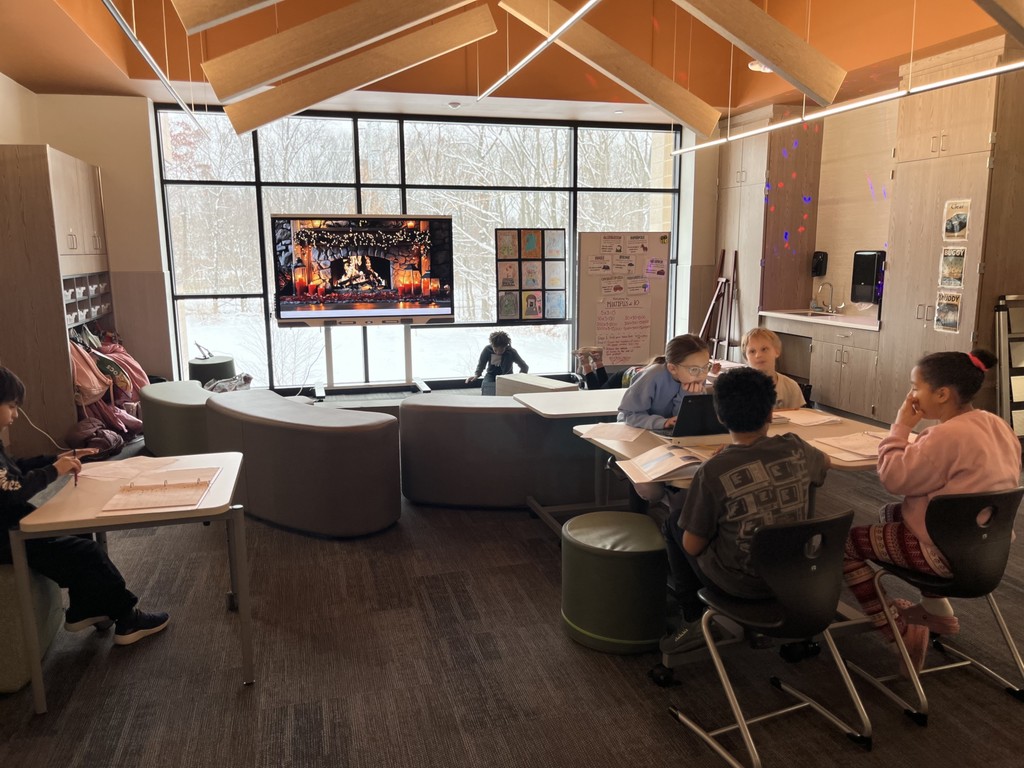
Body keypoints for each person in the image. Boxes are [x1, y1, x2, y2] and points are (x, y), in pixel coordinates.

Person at [842, 349, 1021, 673]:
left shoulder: (943, 436)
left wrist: (900, 427)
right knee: (892, 515)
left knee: (846, 544)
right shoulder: (997, 425)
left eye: (915, 387)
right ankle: (936, 610)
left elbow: (893, 478)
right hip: (988, 550)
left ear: (941, 394)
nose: (911, 395)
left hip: (943, 554)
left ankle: (897, 629)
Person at [661, 366, 830, 653]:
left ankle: (692, 618)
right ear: (770, 414)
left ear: (719, 416)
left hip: (743, 585)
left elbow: (692, 545)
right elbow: (823, 463)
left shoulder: (713, 470)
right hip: (796, 575)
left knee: (676, 521)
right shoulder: (796, 448)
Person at [1, 366, 169, 646]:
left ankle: (85, 608)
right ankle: (127, 617)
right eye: (10, 407)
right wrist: (54, 470)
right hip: (6, 539)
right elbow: (12, 489)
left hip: (15, 523)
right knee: (87, 552)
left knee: (77, 530)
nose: (15, 416)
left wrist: (56, 458)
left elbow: (15, 469)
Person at [616, 334, 716, 505]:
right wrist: (661, 422)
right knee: (651, 490)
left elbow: (685, 419)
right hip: (638, 433)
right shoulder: (653, 376)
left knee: (696, 477)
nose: (701, 374)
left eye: (706, 367)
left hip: (670, 439)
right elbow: (628, 414)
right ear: (672, 368)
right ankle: (674, 506)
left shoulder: (695, 377)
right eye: (694, 369)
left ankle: (678, 509)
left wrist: (688, 395)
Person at [741, 327, 806, 409]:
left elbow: (800, 418)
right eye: (752, 351)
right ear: (746, 358)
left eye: (764, 349)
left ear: (777, 351)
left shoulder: (790, 387)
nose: (758, 355)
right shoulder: (739, 388)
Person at [466, 330, 529, 396]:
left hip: (507, 376)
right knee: (488, 390)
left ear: (506, 346)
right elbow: (481, 363)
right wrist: (477, 374)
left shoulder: (511, 352)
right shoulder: (487, 350)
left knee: (506, 394)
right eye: (495, 350)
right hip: (491, 375)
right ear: (492, 345)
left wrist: (520, 378)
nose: (498, 352)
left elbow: (524, 366)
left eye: (501, 350)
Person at [573, 346, 646, 390]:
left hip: (630, 373)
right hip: (628, 377)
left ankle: (597, 360)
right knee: (597, 394)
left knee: (604, 389)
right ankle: (585, 362)